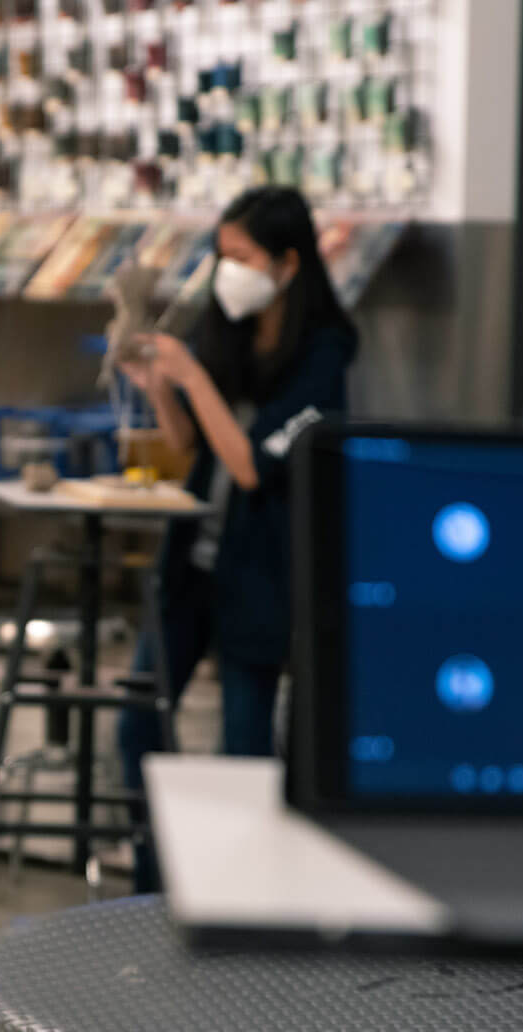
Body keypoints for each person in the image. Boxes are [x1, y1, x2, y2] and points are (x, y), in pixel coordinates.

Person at [116, 186, 358, 811]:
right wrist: (161, 388)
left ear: (288, 263)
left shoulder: (324, 354)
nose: (230, 272)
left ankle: (242, 903)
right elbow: (189, 444)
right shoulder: (227, 329)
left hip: (261, 571)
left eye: (244, 257)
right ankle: (153, 886)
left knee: (244, 745)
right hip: (190, 561)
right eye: (223, 255)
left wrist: (192, 377)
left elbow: (253, 468)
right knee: (137, 721)